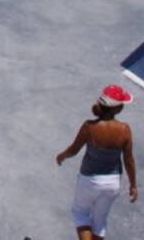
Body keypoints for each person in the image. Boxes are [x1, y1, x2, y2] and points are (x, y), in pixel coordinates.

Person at [56, 84, 138, 240]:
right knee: (100, 221)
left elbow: (74, 150)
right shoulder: (125, 130)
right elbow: (128, 159)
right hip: (112, 184)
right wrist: (133, 184)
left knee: (80, 214)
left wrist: (62, 156)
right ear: (118, 109)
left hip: (89, 180)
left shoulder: (89, 127)